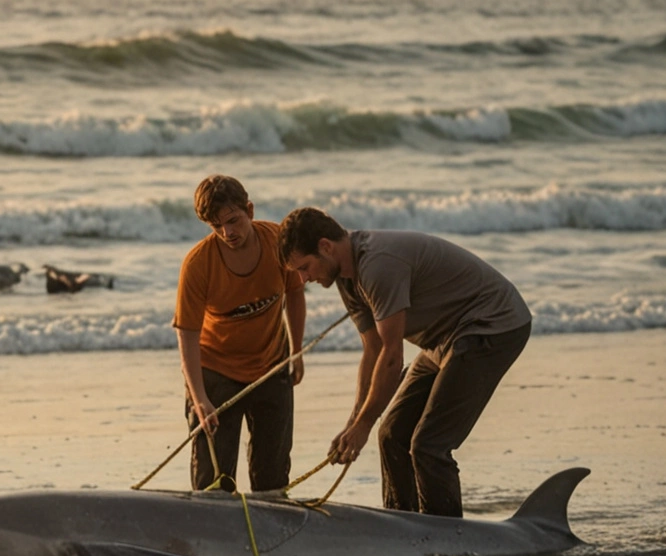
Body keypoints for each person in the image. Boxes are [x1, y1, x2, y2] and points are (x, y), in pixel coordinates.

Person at [277, 207, 531, 517]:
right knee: (391, 436)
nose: (303, 280)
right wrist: (354, 424)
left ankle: (447, 537)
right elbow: (372, 351)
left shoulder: (377, 265)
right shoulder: (346, 277)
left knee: (429, 445)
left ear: (326, 247)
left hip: (491, 324)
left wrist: (363, 424)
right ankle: (405, 526)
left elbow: (392, 357)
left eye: (304, 267)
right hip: (442, 340)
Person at [173, 175, 306, 493]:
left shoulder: (277, 240)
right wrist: (199, 397)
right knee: (213, 484)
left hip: (272, 368)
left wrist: (296, 351)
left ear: (250, 210)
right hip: (215, 375)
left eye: (233, 221)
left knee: (272, 479)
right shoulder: (198, 263)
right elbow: (187, 334)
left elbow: (295, 295)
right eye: (216, 226)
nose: (227, 233)